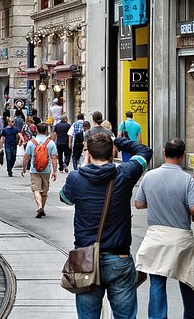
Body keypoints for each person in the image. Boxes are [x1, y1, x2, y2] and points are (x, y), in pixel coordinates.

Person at [59, 134, 152, 319]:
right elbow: (144, 151)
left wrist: (84, 166)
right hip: (119, 257)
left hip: (85, 259)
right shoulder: (125, 173)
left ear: (88, 154)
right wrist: (117, 140)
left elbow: (65, 198)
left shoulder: (75, 178)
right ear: (112, 152)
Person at [134, 138, 194, 319]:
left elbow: (138, 204)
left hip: (156, 237)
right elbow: (192, 208)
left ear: (163, 152)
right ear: (182, 156)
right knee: (188, 280)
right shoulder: (187, 179)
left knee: (157, 281)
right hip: (181, 238)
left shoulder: (149, 176)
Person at [21, 122, 58, 218]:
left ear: (36, 130)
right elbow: (54, 158)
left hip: (35, 169)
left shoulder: (31, 142)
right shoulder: (51, 143)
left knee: (36, 189)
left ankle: (39, 206)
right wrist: (55, 171)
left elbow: (26, 157)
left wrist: (24, 168)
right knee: (44, 191)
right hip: (46, 170)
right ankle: (42, 208)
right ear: (46, 131)